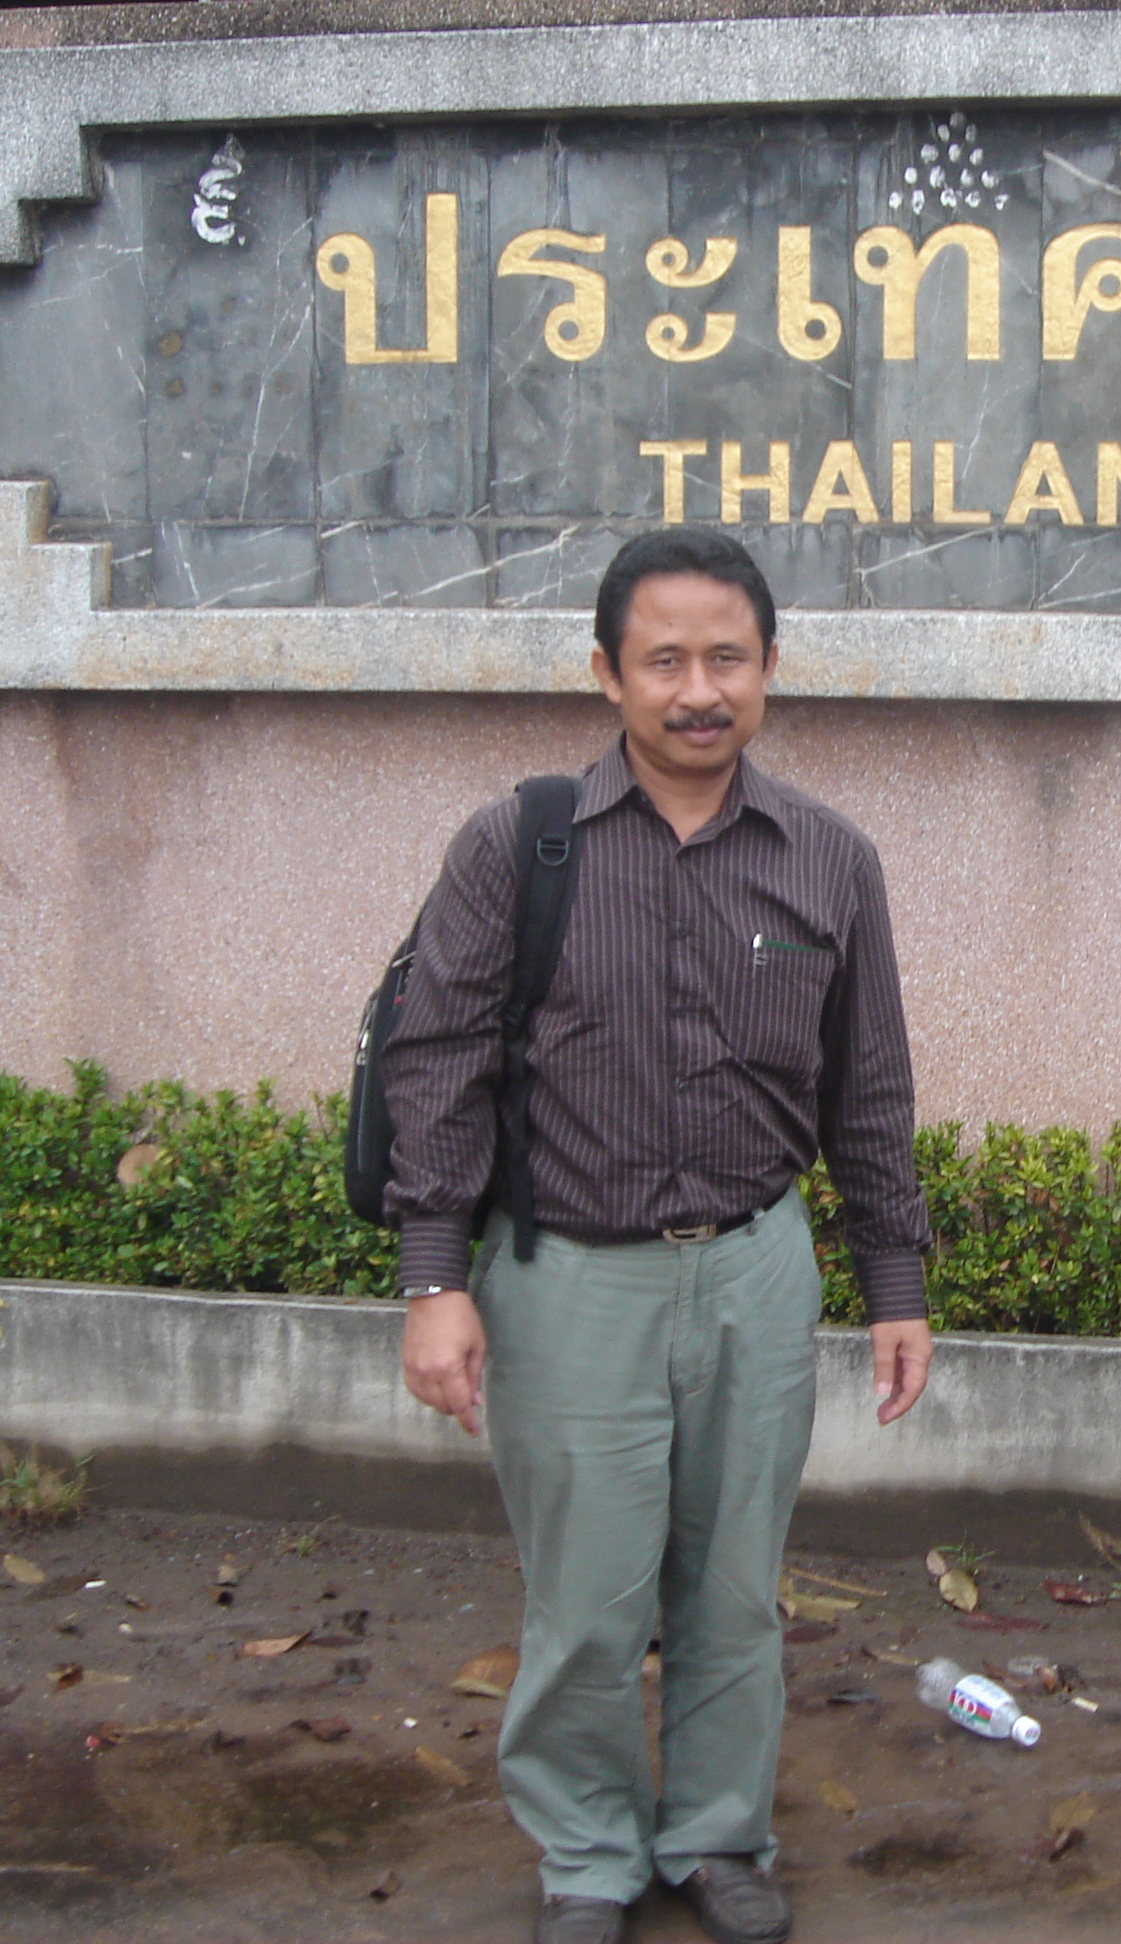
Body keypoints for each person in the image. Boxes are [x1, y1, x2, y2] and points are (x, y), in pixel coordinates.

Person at [381, 527, 935, 1944]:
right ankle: (586, 1853)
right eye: (666, 660)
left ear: (769, 667)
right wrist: (435, 1279)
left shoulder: (830, 859)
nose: (700, 690)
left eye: (727, 658)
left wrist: (895, 1282)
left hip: (756, 1270)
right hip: (570, 1278)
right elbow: (438, 1063)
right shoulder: (520, 846)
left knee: (735, 1590)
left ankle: (717, 1835)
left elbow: (869, 1086)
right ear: (607, 674)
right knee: (587, 1596)